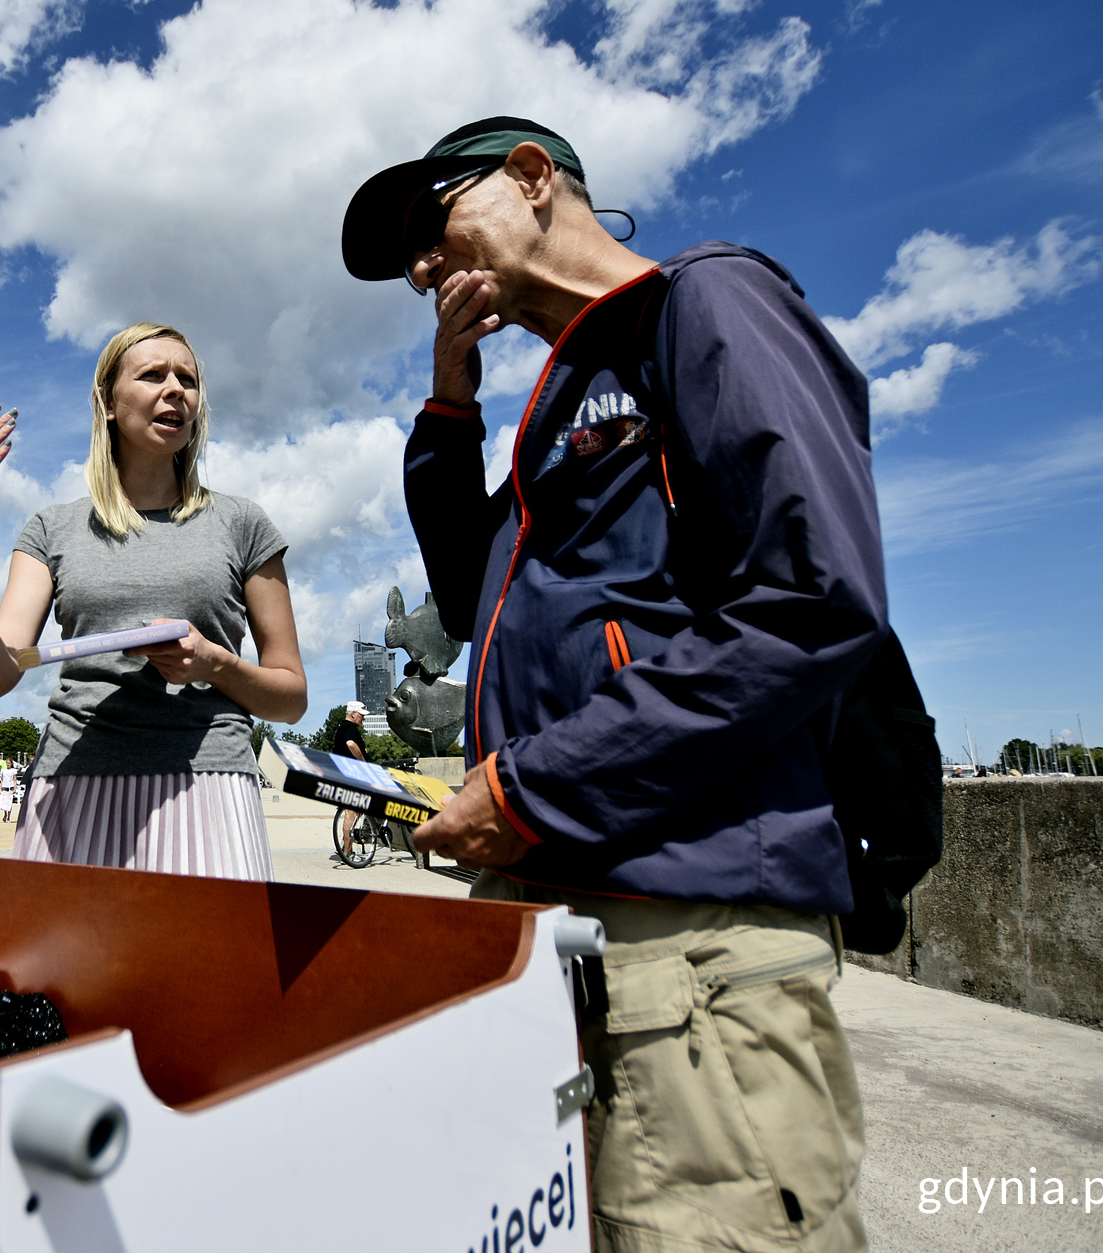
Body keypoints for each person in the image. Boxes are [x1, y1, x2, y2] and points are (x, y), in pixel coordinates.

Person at [342, 118, 884, 1252]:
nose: (420, 268)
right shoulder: (560, 391)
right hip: (567, 920)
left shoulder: (702, 302)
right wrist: (450, 402)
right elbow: (465, 593)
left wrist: (530, 789)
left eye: (431, 225)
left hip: (686, 934)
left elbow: (810, 595)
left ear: (532, 178)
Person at [0, 322, 308, 878]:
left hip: (210, 785)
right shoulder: (50, 529)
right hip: (72, 786)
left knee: (212, 966)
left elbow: (290, 697)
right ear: (107, 402)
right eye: (152, 375)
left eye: (188, 379)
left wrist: (215, 663)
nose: (175, 389)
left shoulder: (242, 523)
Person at [328, 701, 369, 864]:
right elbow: (351, 744)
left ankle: (346, 844)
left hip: (342, 774)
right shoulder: (349, 728)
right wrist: (363, 762)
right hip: (349, 774)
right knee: (351, 812)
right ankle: (347, 853)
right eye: (361, 716)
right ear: (353, 714)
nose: (363, 720)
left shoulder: (342, 728)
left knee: (354, 811)